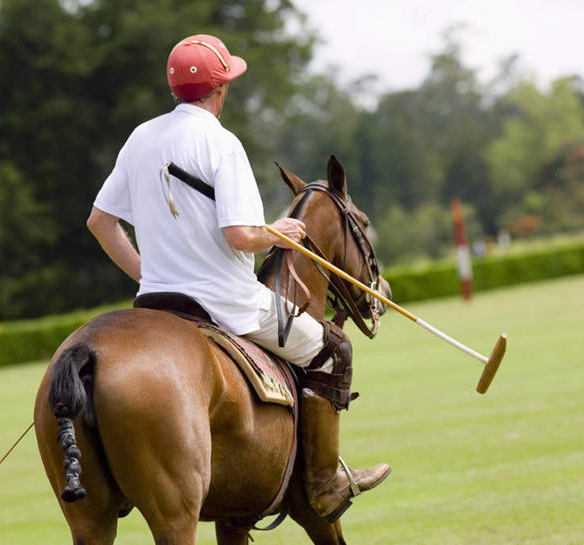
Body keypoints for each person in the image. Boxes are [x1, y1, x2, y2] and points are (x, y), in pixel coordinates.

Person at [86, 33, 390, 522]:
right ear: (221, 89)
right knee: (334, 350)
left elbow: (100, 223)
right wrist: (279, 233)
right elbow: (239, 236)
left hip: (156, 303)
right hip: (226, 303)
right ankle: (324, 483)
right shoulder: (221, 143)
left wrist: (148, 273)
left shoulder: (140, 136)